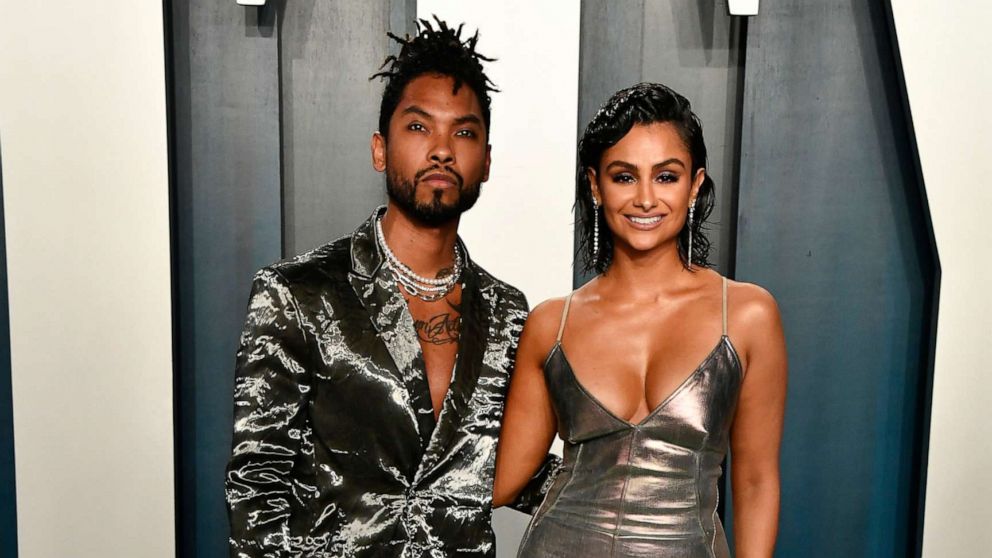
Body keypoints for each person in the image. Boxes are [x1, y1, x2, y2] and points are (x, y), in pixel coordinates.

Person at [225, 18, 557, 558]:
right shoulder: (297, 294)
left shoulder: (506, 313)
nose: (443, 150)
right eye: (420, 127)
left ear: (487, 162)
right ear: (381, 149)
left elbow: (505, 465)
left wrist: (643, 478)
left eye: (465, 132)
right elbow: (255, 497)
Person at [493, 83, 787, 557]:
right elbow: (503, 482)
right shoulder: (552, 324)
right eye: (624, 177)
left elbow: (755, 481)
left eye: (666, 176)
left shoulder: (748, 315)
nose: (646, 198)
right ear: (595, 185)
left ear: (695, 184)